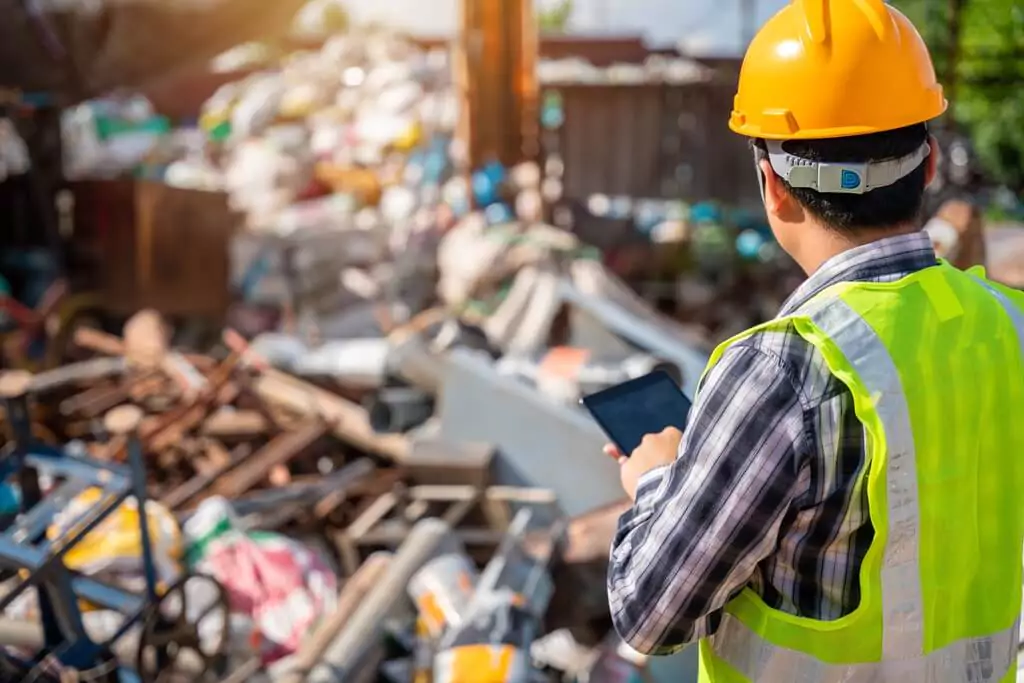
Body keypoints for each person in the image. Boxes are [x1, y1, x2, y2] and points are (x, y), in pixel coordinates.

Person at [605, 1, 1024, 681]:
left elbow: (650, 613)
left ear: (771, 185)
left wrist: (655, 477)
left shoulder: (783, 372)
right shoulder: (1008, 324)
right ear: (928, 166)